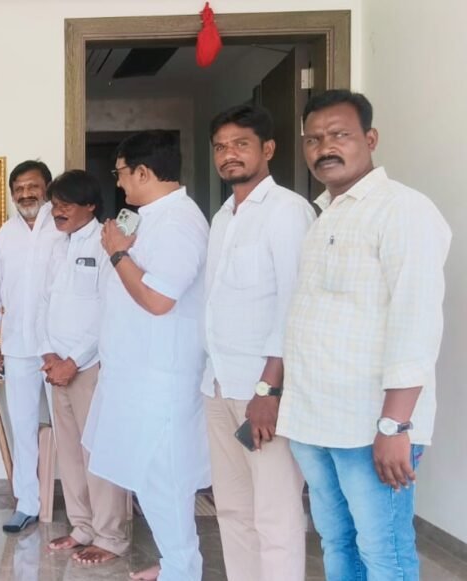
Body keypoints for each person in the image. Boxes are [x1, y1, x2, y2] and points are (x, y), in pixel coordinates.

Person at [277, 90, 451, 580]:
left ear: (370, 139)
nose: (324, 148)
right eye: (313, 139)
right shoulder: (325, 216)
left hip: (369, 424)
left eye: (339, 135)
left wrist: (394, 425)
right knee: (337, 543)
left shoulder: (402, 209)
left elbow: (416, 320)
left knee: (384, 553)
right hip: (314, 419)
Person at [83, 130, 210, 581]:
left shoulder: (179, 223)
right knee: (148, 475)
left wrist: (119, 254)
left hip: (161, 375)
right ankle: (175, 562)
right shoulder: (150, 218)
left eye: (120, 173)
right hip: (135, 372)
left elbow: (158, 299)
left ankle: (182, 570)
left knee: (163, 476)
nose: (118, 183)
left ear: (142, 172)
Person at [202, 104, 315, 581]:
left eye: (240, 144)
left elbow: (293, 305)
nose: (229, 154)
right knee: (232, 509)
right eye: (221, 147)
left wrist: (269, 390)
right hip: (218, 385)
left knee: (276, 514)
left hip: (261, 391)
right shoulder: (223, 217)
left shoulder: (288, 211)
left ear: (267, 149)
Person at [37, 170, 130, 564]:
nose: (57, 212)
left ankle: (111, 536)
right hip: (55, 366)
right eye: (54, 205)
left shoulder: (106, 241)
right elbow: (44, 303)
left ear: (90, 205)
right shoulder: (57, 244)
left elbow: (109, 311)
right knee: (70, 452)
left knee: (98, 452)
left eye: (66, 205)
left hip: (89, 366)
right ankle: (82, 527)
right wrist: (48, 354)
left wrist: (74, 361)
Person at [0, 160, 62, 532]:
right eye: (19, 189)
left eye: (33, 187)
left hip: (61, 349)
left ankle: (84, 509)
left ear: (47, 188)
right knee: (23, 427)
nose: (26, 195)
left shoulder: (63, 228)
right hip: (16, 346)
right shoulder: (4, 236)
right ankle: (27, 503)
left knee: (70, 428)